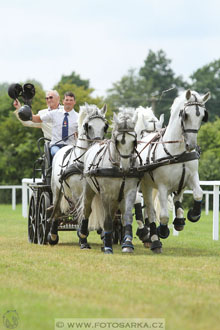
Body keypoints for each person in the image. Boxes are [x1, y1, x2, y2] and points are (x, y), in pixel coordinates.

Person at [31, 91, 78, 157]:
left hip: (71, 146)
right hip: (56, 145)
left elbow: (80, 134)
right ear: (63, 101)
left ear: (74, 102)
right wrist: (28, 114)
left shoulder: (78, 117)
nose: (68, 102)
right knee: (58, 154)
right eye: (67, 100)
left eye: (71, 100)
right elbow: (38, 119)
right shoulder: (54, 113)